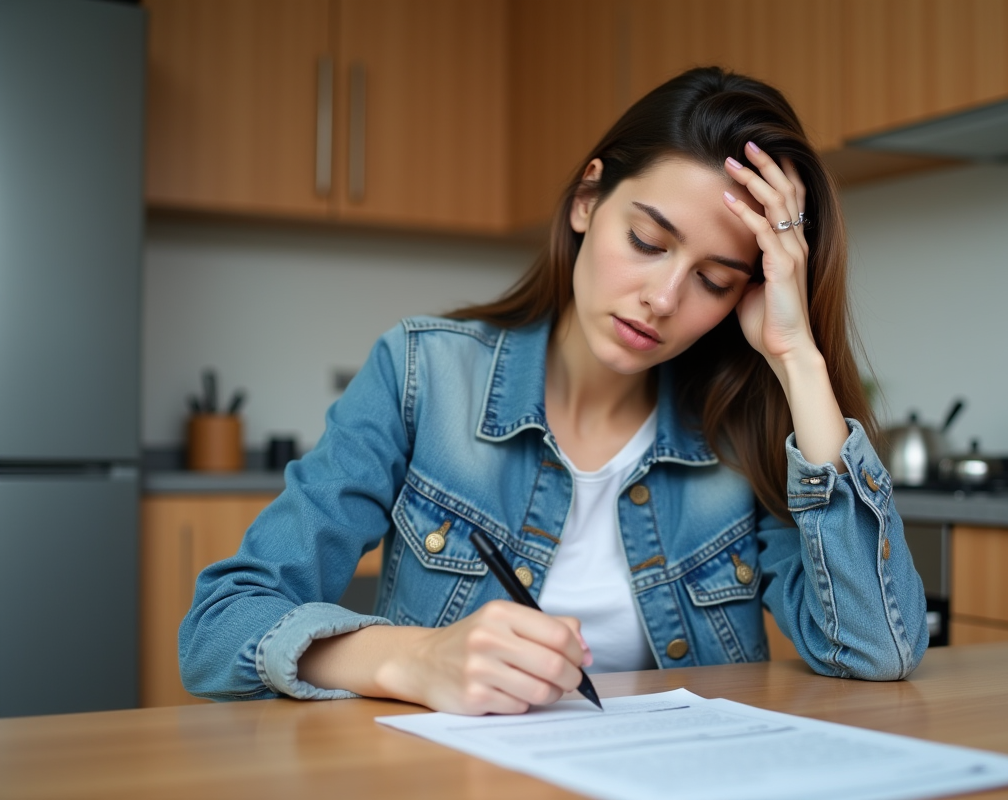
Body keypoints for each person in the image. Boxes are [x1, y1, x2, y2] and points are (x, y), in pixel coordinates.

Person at [180, 67, 928, 715]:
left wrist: (797, 355)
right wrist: (411, 660)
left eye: (714, 280)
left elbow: (875, 650)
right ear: (586, 200)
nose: (663, 299)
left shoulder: (736, 428)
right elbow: (219, 629)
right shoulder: (422, 376)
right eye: (646, 242)